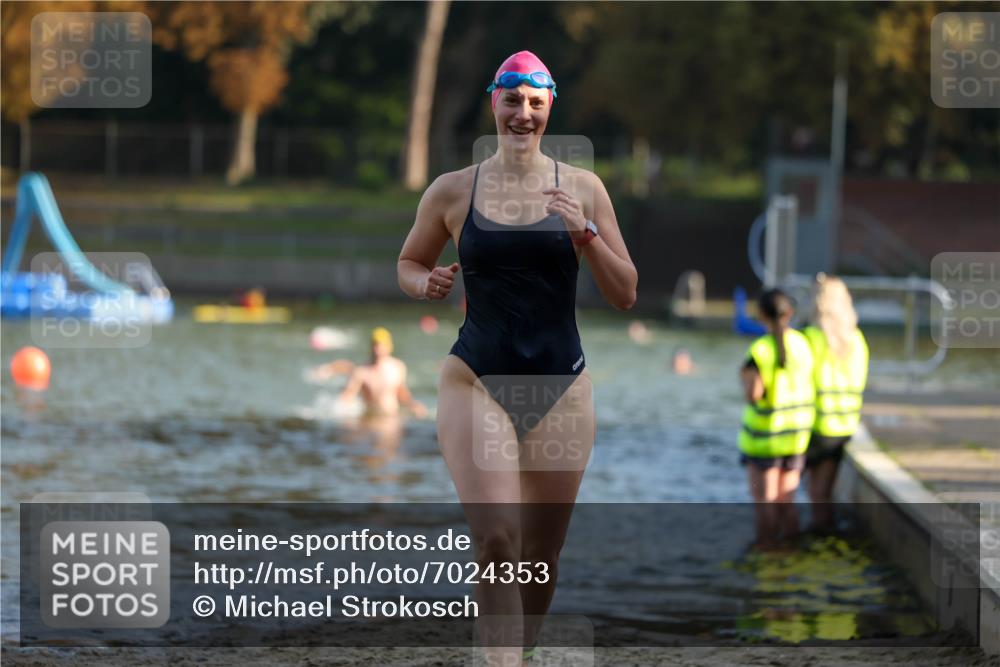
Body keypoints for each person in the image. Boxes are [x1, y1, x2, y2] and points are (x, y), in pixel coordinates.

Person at [397, 50, 637, 665]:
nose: (522, 114)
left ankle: (518, 655)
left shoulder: (585, 188)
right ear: (494, 103)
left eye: (535, 102)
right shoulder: (453, 190)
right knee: (497, 544)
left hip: (562, 388)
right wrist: (424, 283)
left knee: (539, 557)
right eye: (512, 100)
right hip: (475, 380)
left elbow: (626, 293)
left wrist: (585, 233)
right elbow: (409, 261)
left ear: (549, 108)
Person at [739, 289, 815, 549]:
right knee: (786, 500)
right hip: (796, 437)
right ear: (789, 313)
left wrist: (744, 381)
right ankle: (791, 551)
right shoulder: (803, 344)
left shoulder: (761, 349)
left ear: (761, 315)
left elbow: (754, 395)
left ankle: (767, 551)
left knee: (766, 501)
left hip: (765, 439)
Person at [803, 274, 869, 532]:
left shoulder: (811, 338)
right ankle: (827, 535)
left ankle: (814, 537)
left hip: (816, 426)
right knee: (825, 491)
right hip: (844, 425)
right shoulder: (857, 339)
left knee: (812, 492)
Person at [317, 327, 429, 419]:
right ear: (371, 347)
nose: (378, 350)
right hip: (371, 419)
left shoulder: (398, 367)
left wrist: (413, 405)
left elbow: (402, 392)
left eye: (381, 346)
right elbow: (348, 395)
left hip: (392, 417)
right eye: (375, 346)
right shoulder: (361, 371)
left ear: (389, 347)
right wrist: (340, 410)